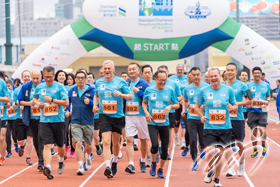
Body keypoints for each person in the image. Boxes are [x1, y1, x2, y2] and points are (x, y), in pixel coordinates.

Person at [195, 67, 237, 187]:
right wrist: (201, 116)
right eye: (211, 76)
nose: (213, 78)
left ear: (220, 76)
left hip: (225, 128)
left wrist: (232, 108)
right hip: (209, 127)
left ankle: (217, 180)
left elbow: (235, 106)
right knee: (211, 152)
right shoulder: (203, 91)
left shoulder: (228, 90)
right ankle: (210, 169)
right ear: (208, 78)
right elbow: (197, 107)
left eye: (215, 76)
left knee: (219, 154)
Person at [93, 60, 132, 179]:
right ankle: (107, 166)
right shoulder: (98, 82)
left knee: (116, 143)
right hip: (104, 115)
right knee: (106, 141)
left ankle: (114, 161)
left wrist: (121, 94)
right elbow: (96, 95)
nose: (107, 71)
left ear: (113, 69)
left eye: (109, 68)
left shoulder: (121, 82)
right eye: (105, 68)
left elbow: (130, 96)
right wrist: (95, 105)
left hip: (118, 116)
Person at [33, 66, 69, 180]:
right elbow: (34, 98)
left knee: (60, 146)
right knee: (47, 145)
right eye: (46, 77)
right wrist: (38, 103)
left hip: (58, 120)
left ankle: (61, 160)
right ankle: (47, 167)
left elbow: (66, 103)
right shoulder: (40, 87)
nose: (48, 79)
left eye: (50, 77)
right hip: (45, 121)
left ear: (54, 76)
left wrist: (52, 100)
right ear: (43, 76)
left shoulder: (60, 87)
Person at [142, 70, 179, 178]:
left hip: (164, 123)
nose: (163, 82)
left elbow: (177, 104)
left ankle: (161, 169)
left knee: (164, 149)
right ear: (155, 79)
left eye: (165, 80)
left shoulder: (170, 90)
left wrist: (170, 106)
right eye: (161, 80)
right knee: (154, 145)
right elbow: (144, 103)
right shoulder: (149, 90)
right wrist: (146, 112)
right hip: (152, 122)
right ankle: (153, 163)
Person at [222, 63, 251, 177]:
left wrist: (235, 104)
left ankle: (242, 162)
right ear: (225, 72)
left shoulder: (243, 86)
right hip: (225, 119)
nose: (229, 72)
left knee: (239, 143)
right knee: (226, 144)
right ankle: (230, 168)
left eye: (231, 70)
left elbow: (249, 102)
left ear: (236, 72)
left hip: (238, 118)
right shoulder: (221, 86)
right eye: (227, 70)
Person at [67, 71, 95, 175]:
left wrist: (91, 102)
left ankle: (88, 157)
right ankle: (80, 166)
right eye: (78, 78)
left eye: (82, 78)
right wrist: (66, 109)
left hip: (88, 121)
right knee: (77, 143)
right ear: (75, 79)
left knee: (88, 145)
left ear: (86, 79)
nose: (80, 79)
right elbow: (68, 101)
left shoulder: (92, 89)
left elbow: (97, 102)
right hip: (75, 121)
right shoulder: (72, 90)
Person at [124, 62, 150, 174]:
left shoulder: (143, 84)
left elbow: (149, 98)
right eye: (129, 69)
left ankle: (143, 160)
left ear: (138, 71)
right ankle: (131, 164)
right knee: (129, 139)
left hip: (142, 115)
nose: (131, 71)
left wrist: (138, 92)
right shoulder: (125, 84)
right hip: (128, 115)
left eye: (134, 69)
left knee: (144, 140)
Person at [181, 67, 208, 170]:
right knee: (192, 140)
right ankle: (195, 161)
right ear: (190, 76)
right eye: (194, 75)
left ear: (201, 75)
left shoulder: (206, 87)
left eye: (198, 74)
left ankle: (202, 147)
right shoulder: (187, 88)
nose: (196, 77)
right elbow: (185, 100)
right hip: (191, 117)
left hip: (203, 118)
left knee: (202, 140)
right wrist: (184, 110)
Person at [18, 70, 45, 171]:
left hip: (44, 117)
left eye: (37, 78)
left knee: (42, 138)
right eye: (33, 78)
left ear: (41, 77)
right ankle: (41, 160)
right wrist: (29, 103)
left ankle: (42, 162)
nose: (35, 80)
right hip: (32, 118)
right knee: (37, 140)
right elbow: (20, 101)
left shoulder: (45, 85)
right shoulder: (26, 87)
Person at [158, 65, 182, 160]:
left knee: (169, 131)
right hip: (158, 111)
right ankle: (160, 149)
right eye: (161, 72)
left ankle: (166, 151)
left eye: (164, 71)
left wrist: (174, 101)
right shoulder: (156, 83)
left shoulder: (173, 83)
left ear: (168, 72)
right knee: (159, 133)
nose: (163, 73)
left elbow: (180, 97)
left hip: (171, 111)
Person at [247, 67, 270, 158]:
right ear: (253, 74)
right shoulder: (248, 85)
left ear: (261, 74)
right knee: (254, 131)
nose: (257, 74)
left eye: (258, 73)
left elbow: (268, 96)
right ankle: (255, 150)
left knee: (262, 130)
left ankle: (263, 147)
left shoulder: (266, 85)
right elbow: (246, 97)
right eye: (255, 73)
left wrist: (267, 101)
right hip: (252, 111)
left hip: (262, 111)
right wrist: (248, 104)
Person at [13, 70, 33, 165]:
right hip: (20, 118)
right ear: (22, 78)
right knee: (20, 141)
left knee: (30, 139)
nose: (27, 78)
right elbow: (14, 103)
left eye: (28, 76)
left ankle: (28, 158)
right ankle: (22, 145)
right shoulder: (17, 90)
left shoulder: (34, 88)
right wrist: (15, 105)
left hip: (31, 117)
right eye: (25, 76)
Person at [169, 64, 188, 148]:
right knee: (176, 123)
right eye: (178, 69)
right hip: (176, 103)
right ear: (176, 70)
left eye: (181, 69)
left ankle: (183, 141)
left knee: (183, 122)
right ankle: (176, 135)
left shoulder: (187, 78)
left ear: (183, 70)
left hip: (185, 103)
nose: (180, 71)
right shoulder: (172, 79)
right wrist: (178, 100)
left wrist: (183, 100)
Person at [55, 70, 70, 158]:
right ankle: (56, 148)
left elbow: (70, 101)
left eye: (63, 75)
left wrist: (68, 110)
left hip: (65, 114)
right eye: (59, 75)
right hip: (54, 113)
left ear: (65, 77)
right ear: (57, 77)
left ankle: (62, 152)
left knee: (63, 133)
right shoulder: (54, 87)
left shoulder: (68, 88)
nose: (61, 77)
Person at [5, 79, 19, 158]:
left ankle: (16, 143)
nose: (8, 88)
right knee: (7, 135)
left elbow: (16, 105)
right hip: (6, 118)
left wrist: (12, 107)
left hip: (14, 118)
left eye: (9, 86)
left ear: (11, 86)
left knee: (14, 135)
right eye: (6, 86)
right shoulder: (4, 94)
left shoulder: (14, 94)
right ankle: (9, 151)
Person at [0, 77, 10, 166]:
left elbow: (7, 99)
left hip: (2, 115)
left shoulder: (1, 82)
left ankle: (2, 158)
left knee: (2, 138)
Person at [67, 73, 76, 158]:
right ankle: (67, 145)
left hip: (74, 113)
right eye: (68, 79)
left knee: (72, 131)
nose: (69, 80)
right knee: (66, 131)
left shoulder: (75, 88)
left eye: (71, 79)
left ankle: (73, 150)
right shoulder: (64, 88)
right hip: (66, 113)